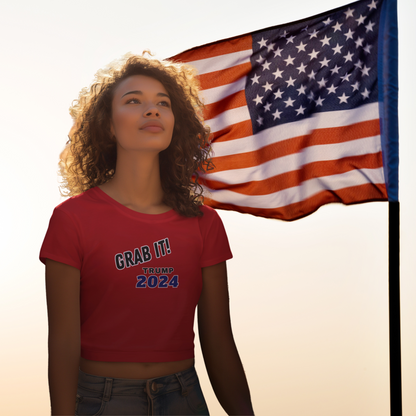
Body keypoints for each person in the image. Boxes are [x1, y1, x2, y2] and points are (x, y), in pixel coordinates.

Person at [40, 52, 255, 416]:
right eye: (133, 101)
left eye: (163, 103)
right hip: (101, 401)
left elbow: (218, 340)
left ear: (176, 123)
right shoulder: (71, 219)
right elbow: (62, 343)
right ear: (108, 126)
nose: (151, 111)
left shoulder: (205, 223)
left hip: (184, 398)